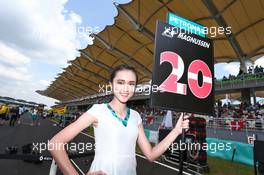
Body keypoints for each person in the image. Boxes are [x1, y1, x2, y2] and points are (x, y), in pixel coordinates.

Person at [48, 64, 190, 175]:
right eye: (120, 82)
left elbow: (151, 155)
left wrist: (176, 131)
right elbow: (55, 143)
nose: (126, 88)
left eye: (131, 84)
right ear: (111, 85)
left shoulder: (136, 116)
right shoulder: (98, 110)